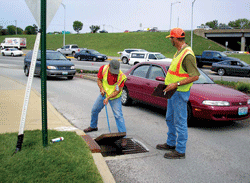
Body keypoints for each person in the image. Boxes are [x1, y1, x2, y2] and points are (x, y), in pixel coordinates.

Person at [156, 28, 200, 159]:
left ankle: (180, 150)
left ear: (175, 39)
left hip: (179, 92)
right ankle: (170, 143)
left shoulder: (187, 55)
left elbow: (195, 76)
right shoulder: (179, 52)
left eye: (171, 38)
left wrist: (176, 84)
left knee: (180, 122)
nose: (170, 40)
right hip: (172, 91)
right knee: (170, 119)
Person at [83, 59, 127, 145]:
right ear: (109, 66)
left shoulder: (121, 77)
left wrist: (108, 98)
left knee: (118, 115)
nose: (114, 73)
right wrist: (102, 89)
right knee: (94, 109)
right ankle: (93, 126)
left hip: (115, 97)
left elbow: (117, 91)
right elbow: (99, 80)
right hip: (104, 94)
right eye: (113, 71)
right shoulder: (103, 69)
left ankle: (123, 136)